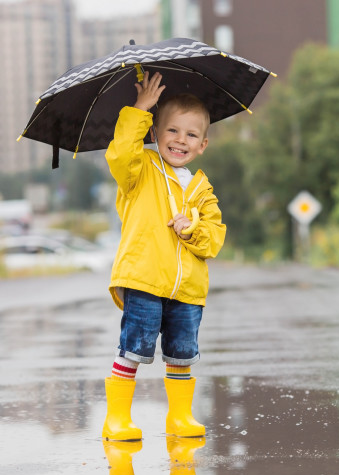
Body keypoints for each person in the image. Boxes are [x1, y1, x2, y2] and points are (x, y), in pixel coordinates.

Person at [101, 71, 226, 443]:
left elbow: (214, 238)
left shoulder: (202, 189)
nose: (180, 140)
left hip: (187, 289)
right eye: (172, 130)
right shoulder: (139, 170)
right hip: (144, 279)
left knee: (182, 353)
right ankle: (116, 419)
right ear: (155, 133)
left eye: (191, 135)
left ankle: (180, 417)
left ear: (203, 144)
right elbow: (120, 154)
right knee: (133, 348)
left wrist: (192, 229)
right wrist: (140, 110)